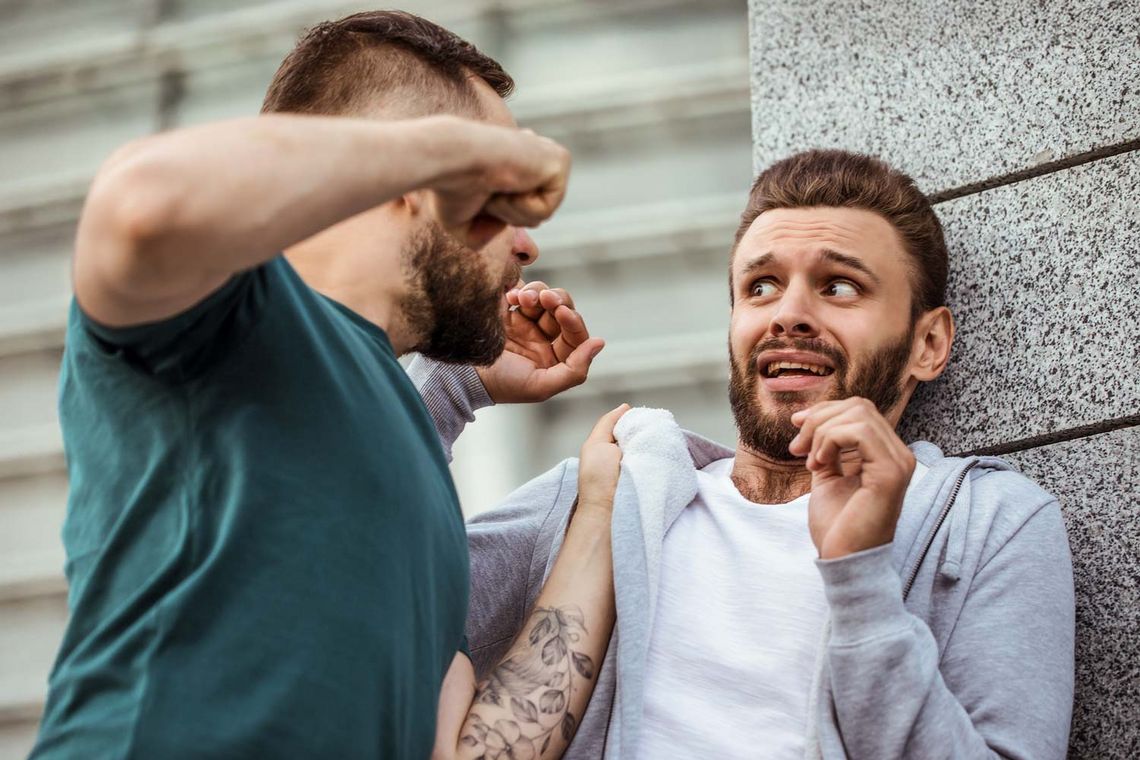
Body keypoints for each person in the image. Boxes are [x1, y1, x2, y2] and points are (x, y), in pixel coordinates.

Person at [33, 11, 617, 759]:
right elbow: (139, 201)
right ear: (410, 183)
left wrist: (585, 497)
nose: (528, 242)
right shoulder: (230, 310)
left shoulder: (419, 471)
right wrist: (442, 151)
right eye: (496, 202)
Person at [412, 149, 1077, 759]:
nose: (788, 313)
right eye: (760, 286)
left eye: (839, 286)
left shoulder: (989, 523)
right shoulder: (612, 489)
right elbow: (367, 598)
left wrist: (861, 580)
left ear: (928, 343)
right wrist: (453, 383)